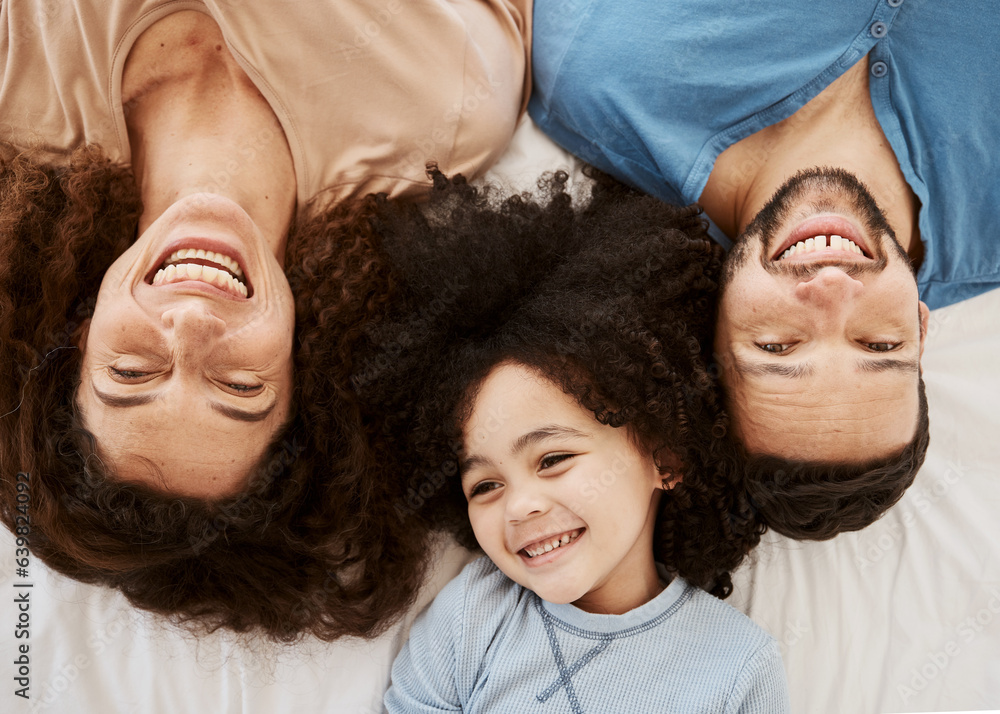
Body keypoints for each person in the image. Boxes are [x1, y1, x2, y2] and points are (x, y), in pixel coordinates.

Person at [0, 0, 529, 639]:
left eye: (133, 369)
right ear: (301, 369)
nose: (193, 325)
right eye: (240, 386)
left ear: (79, 336)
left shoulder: (18, 91)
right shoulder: (443, 108)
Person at [525, 1, 1000, 536]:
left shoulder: (605, 77)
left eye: (777, 346)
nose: (832, 285)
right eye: (878, 345)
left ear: (713, 331)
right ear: (920, 325)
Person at [356, 174, 789, 712]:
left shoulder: (736, 666)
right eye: (485, 484)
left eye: (553, 458)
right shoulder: (473, 617)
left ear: (665, 456)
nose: (521, 505)